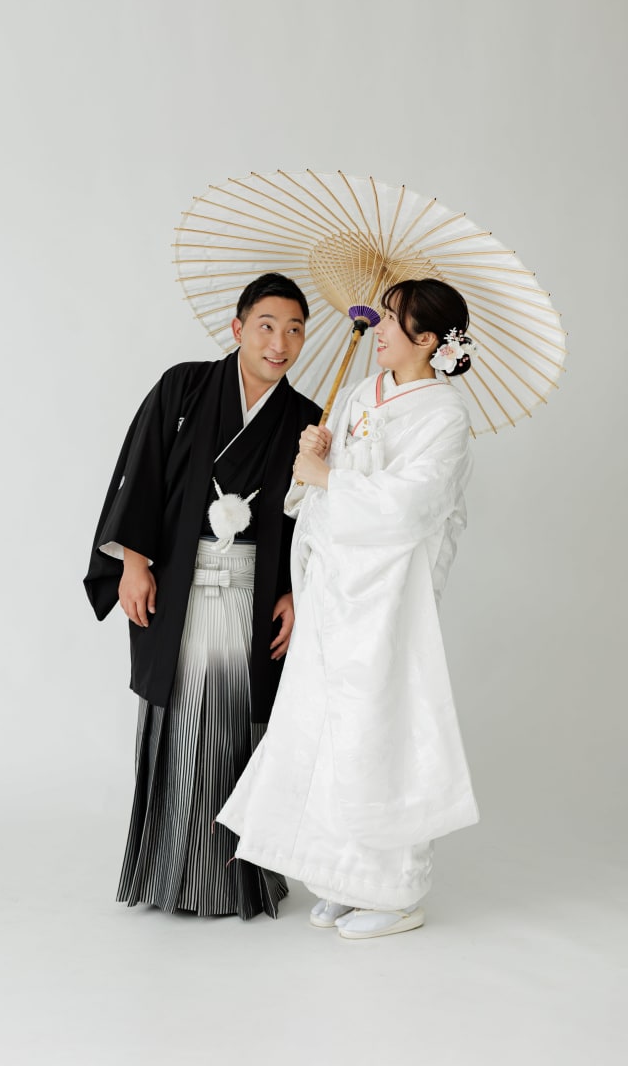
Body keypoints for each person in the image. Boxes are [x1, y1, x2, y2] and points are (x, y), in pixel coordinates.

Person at [217, 278, 479, 939]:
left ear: (427, 339)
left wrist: (330, 478)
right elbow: (323, 488)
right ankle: (340, 877)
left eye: (393, 320)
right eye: (383, 316)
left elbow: (415, 505)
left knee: (377, 727)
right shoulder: (362, 393)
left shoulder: (445, 416)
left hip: (388, 595)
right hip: (335, 586)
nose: (379, 329)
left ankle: (394, 891)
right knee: (322, 724)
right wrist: (314, 460)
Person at [84, 273, 321, 920]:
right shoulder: (184, 387)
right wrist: (134, 563)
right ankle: (168, 874)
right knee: (180, 724)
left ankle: (236, 880)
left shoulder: (307, 420)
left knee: (238, 729)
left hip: (253, 594)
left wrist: (297, 592)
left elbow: (314, 519)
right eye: (267, 326)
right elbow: (141, 470)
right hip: (179, 586)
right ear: (238, 328)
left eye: (295, 329)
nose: (280, 342)